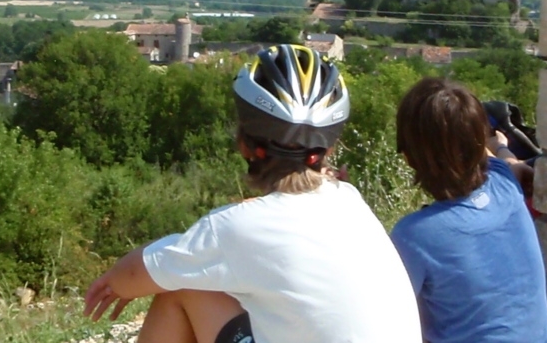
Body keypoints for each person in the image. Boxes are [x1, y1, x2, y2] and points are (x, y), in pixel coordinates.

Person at [84, 44, 422, 343]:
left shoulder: (237, 227)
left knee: (184, 287)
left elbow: (130, 278)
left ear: (244, 142)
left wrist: (130, 279)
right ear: (330, 148)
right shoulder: (349, 201)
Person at [390, 77, 547, 343]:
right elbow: (502, 161)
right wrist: (500, 145)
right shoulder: (507, 186)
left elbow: (385, 317)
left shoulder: (414, 235)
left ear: (408, 157)